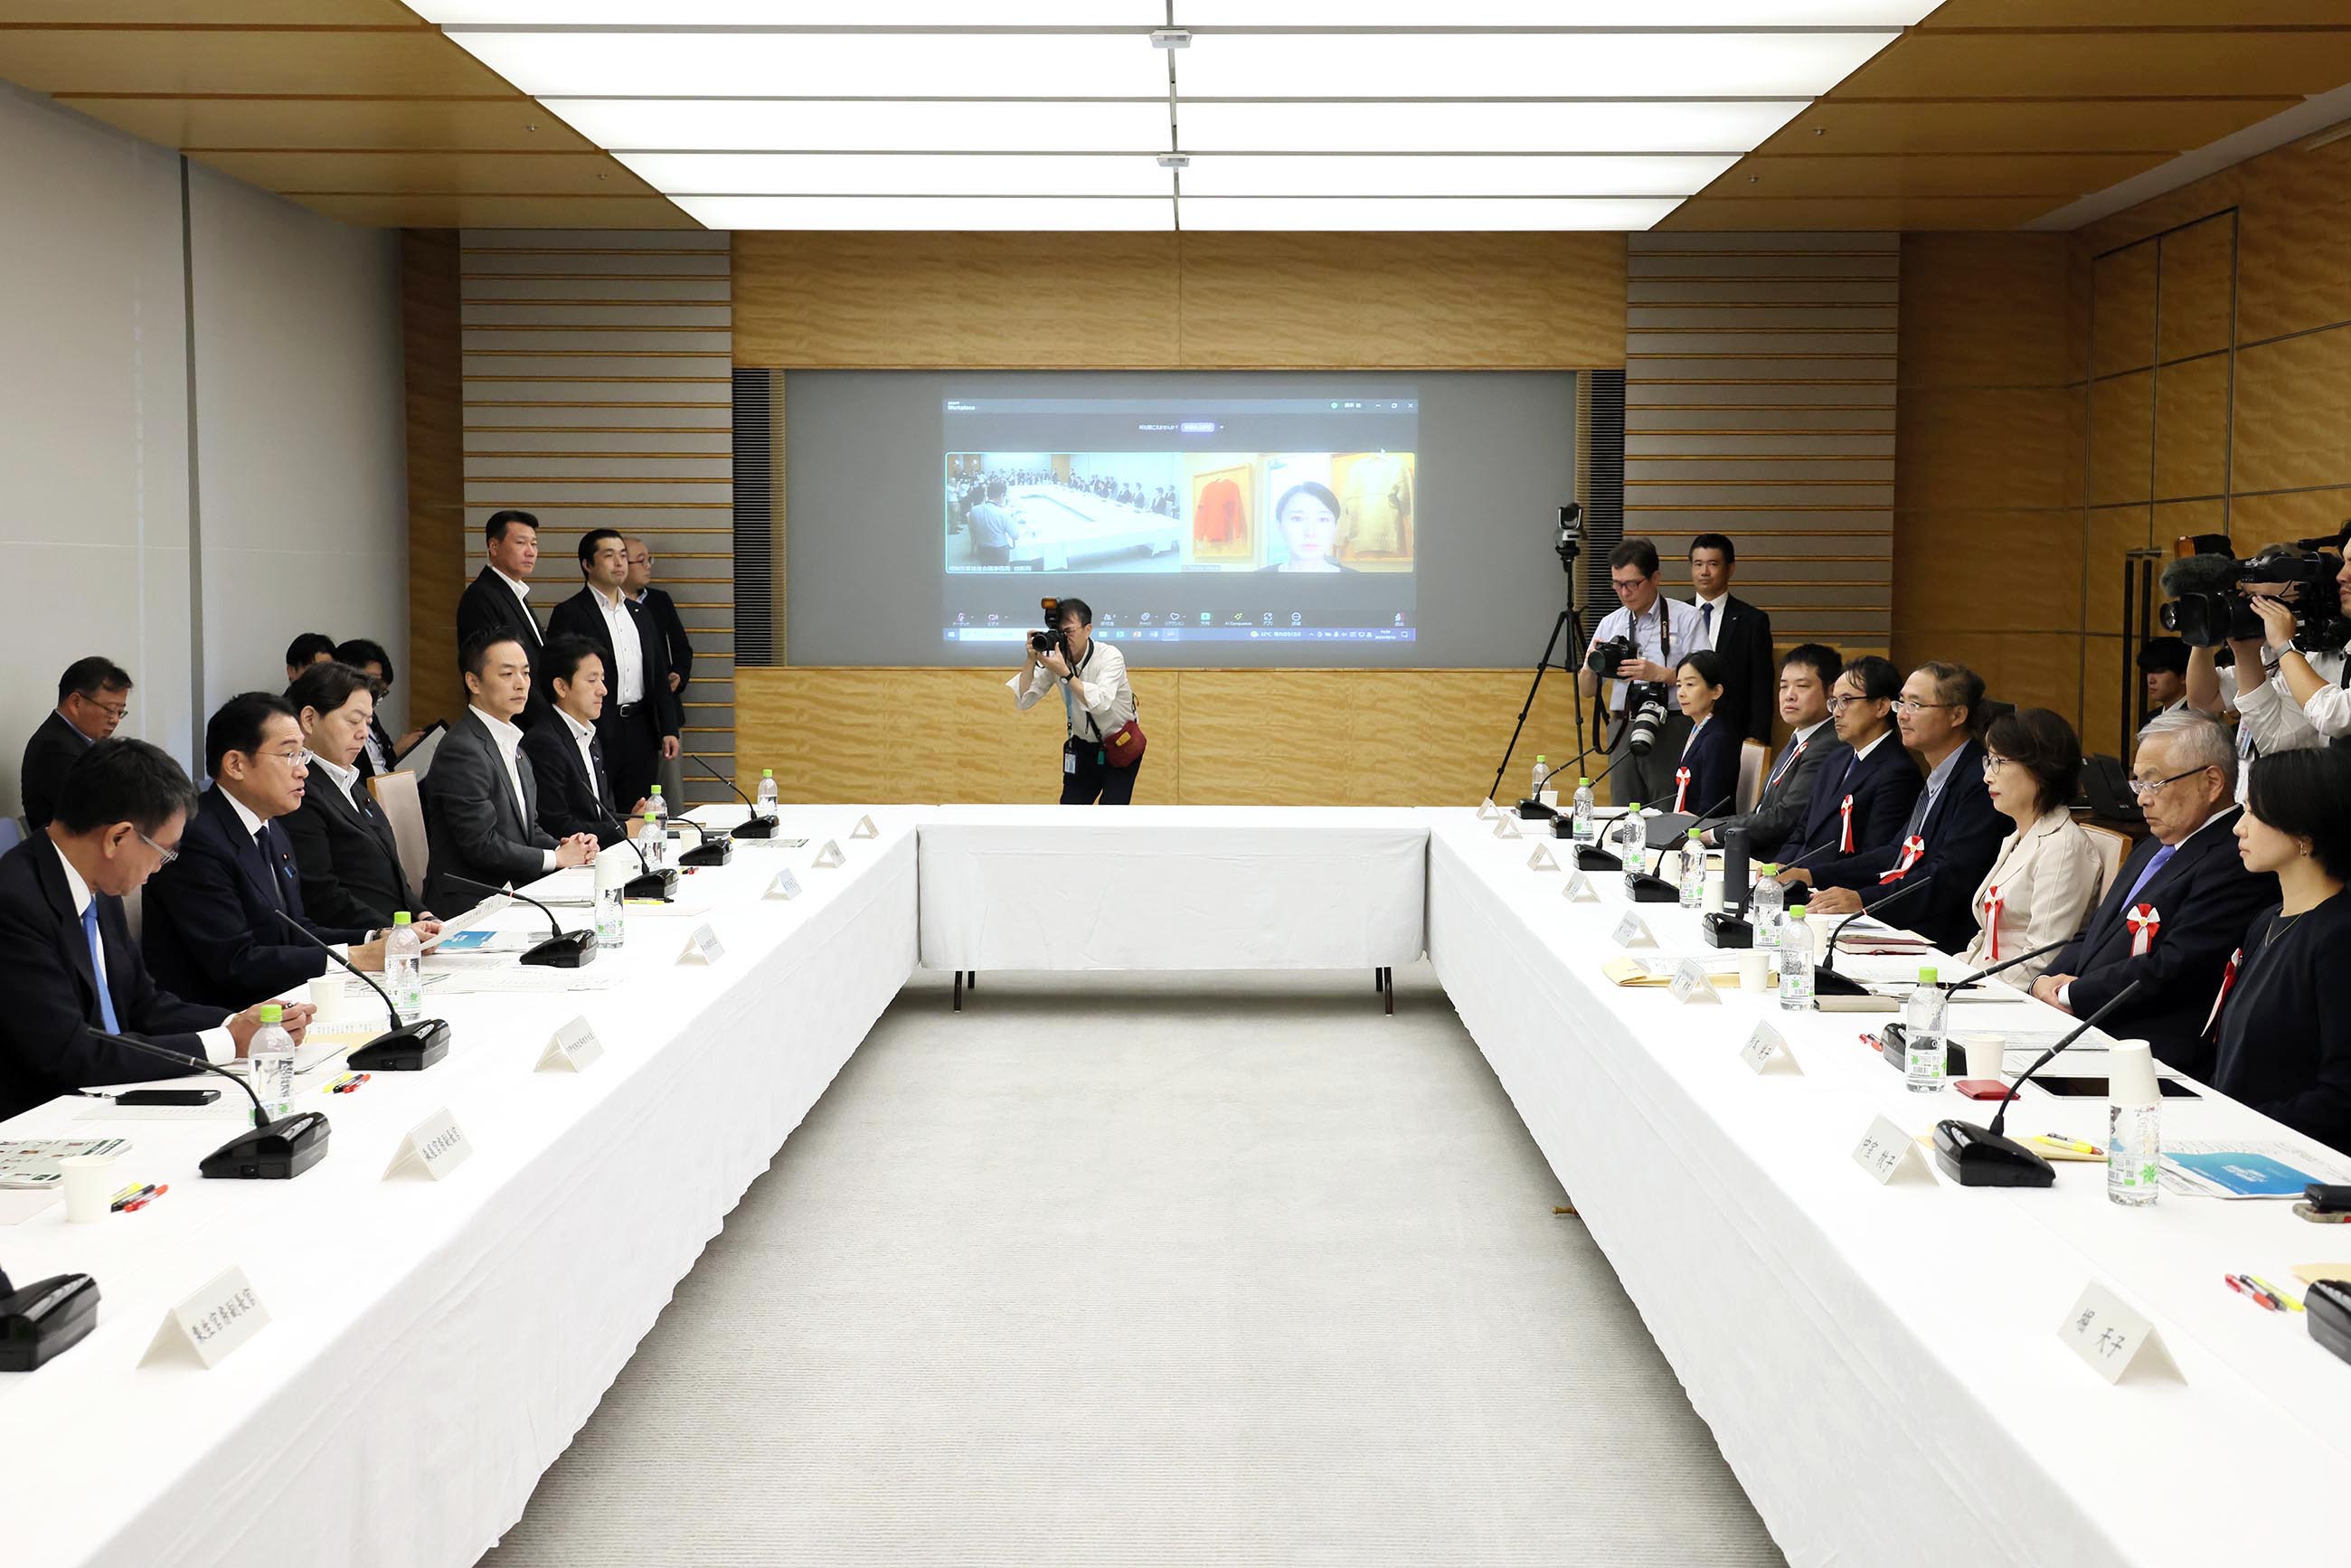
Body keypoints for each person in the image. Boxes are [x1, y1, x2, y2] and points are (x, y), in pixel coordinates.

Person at [0, 740, 316, 1120]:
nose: (163, 865)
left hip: (112, 1096)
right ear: (118, 837)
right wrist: (228, 1042)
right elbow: (69, 1053)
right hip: (42, 1118)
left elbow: (144, 1005)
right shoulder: (14, 901)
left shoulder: (99, 883)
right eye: (164, 851)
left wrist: (238, 1022)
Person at [2033, 711, 2271, 1075]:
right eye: (2138, 783)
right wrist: (2045, 982)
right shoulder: (2152, 846)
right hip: (2088, 1029)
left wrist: (2071, 995)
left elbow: (2176, 966)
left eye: (2154, 783)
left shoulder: (2235, 858)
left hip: (2149, 1057)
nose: (2142, 799)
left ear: (2211, 782)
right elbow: (2096, 933)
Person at [142, 694, 398, 1010]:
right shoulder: (197, 839)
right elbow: (235, 961)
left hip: (282, 1003)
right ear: (236, 764)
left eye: (303, 756)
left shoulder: (271, 827)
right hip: (223, 1018)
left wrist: (377, 938)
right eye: (290, 755)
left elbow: (296, 929)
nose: (303, 770)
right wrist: (354, 957)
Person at [1801, 662, 2005, 952]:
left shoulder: (1978, 781)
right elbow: (1896, 853)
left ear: (1957, 714)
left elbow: (1949, 879)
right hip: (1908, 923)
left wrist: (1863, 900)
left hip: (1943, 939)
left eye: (1916, 705)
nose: (1903, 715)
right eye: (1902, 703)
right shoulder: (1940, 773)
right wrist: (1814, 876)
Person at [2207, 748, 2351, 1152]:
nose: (2239, 828)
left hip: (2292, 1163)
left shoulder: (2339, 937)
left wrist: (2235, 1130)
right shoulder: (2265, 921)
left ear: (2304, 832)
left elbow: (2341, 1096)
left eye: (2254, 812)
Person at [423, 631, 600, 915]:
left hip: (512, 893)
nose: (521, 684)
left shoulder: (514, 745)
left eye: (526, 673)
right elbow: (481, 845)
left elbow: (529, 830)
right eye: (507, 674)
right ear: (474, 682)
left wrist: (570, 848)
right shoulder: (463, 750)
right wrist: (555, 857)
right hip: (470, 904)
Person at [1957, 708, 2105, 987]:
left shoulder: (2062, 846)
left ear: (2042, 768)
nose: (1988, 776)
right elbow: (1988, 937)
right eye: (1989, 761)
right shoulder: (2019, 835)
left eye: (2000, 762)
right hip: (1984, 984)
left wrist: (1966, 989)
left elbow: (2042, 959)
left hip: (2011, 999)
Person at [280, 661, 426, 931]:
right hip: (361, 941)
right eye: (353, 720)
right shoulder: (300, 791)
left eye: (368, 722)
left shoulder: (352, 783)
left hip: (398, 933)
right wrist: (395, 932)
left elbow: (392, 871)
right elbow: (322, 895)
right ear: (310, 719)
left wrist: (423, 915)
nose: (363, 733)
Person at [546, 529, 680, 809]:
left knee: (640, 809)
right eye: (609, 555)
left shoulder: (640, 613)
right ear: (587, 564)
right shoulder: (570, 612)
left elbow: (657, 673)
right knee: (600, 808)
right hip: (596, 725)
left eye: (622, 555)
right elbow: (556, 674)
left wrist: (668, 727)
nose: (619, 563)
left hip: (641, 726)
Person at [2182, 549, 2351, 768]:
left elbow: (2326, 717)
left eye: (2267, 602)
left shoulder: (2314, 656)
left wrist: (2284, 645)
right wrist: (2209, 627)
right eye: (2249, 598)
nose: (2254, 609)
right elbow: (2203, 701)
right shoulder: (2273, 653)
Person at [1578, 538, 1709, 807]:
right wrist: (1592, 665)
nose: (1624, 592)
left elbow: (1707, 680)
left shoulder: (1686, 617)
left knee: (1666, 806)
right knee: (1623, 809)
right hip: (1623, 724)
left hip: (1670, 724)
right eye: (1617, 584)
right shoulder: (1610, 623)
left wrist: (1661, 674)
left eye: (1632, 583)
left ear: (1655, 577)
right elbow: (1587, 691)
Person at [1773, 654, 1922, 886]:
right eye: (1834, 702)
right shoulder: (1836, 758)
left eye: (1846, 700)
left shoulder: (1897, 771)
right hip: (1800, 885)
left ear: (1881, 706)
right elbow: (1802, 831)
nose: (1836, 712)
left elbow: (1875, 856)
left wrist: (1808, 877)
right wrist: (1779, 870)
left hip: (1836, 890)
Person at [1704, 644, 1841, 858]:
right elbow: (1761, 813)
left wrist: (1712, 833)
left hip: (1778, 861)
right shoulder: (1799, 737)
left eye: (1802, 686)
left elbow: (1785, 817)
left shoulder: (1827, 744)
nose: (1789, 696)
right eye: (1783, 686)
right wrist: (1704, 826)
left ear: (1831, 691)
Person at [1008, 597, 1140, 805]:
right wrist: (1031, 660)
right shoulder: (1057, 659)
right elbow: (1024, 699)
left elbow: (1101, 702)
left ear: (1088, 629)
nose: (1064, 637)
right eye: (1060, 632)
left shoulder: (1110, 657)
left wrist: (1066, 675)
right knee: (1070, 816)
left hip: (1119, 745)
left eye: (1069, 631)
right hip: (1082, 749)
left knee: (1112, 817)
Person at [519, 634, 642, 847]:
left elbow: (600, 815)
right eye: (592, 680)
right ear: (561, 687)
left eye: (602, 679)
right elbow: (556, 826)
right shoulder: (544, 742)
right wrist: (625, 829)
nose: (603, 690)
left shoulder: (590, 737)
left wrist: (632, 820)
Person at [456, 508, 550, 728]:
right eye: (521, 543)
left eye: (534, 544)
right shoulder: (481, 597)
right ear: (494, 547)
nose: (530, 552)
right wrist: (547, 720)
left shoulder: (514, 593)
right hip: (512, 722)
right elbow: (492, 669)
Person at [19, 656, 131, 830]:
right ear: (76, 702)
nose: (115, 720)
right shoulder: (55, 748)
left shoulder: (80, 741)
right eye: (110, 710)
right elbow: (95, 813)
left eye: (120, 712)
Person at [1686, 534, 1775, 745]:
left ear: (1731, 568)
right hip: (1682, 730)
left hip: (1732, 731)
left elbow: (1761, 684)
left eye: (1713, 564)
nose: (1704, 572)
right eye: (1698, 564)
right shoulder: (1675, 615)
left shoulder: (1752, 621)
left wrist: (1757, 735)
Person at [335, 637, 425, 775]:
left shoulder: (372, 715)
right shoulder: (335, 720)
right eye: (371, 680)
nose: (375, 690)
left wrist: (398, 750)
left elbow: (383, 759)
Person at [1667, 651, 1739, 817]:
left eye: (1690, 685)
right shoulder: (1701, 730)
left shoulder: (1719, 738)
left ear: (1716, 691)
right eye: (1679, 685)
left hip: (1701, 833)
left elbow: (1713, 807)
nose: (1681, 693)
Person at [1259, 483, 1353, 573]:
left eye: (1323, 519)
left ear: (1335, 527)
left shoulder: (1357, 583)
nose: (1310, 532)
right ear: (1279, 525)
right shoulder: (1256, 581)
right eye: (1297, 518)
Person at [2137, 637, 2194, 719]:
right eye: (2148, 671)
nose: (2150, 680)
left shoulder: (2197, 720)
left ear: (2183, 677)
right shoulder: (2151, 718)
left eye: (2159, 671)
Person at [968, 479, 1019, 567]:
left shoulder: (974, 510)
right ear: (1002, 495)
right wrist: (1014, 521)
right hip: (999, 551)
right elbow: (1015, 535)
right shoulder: (1003, 513)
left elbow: (972, 530)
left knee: (986, 575)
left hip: (982, 549)